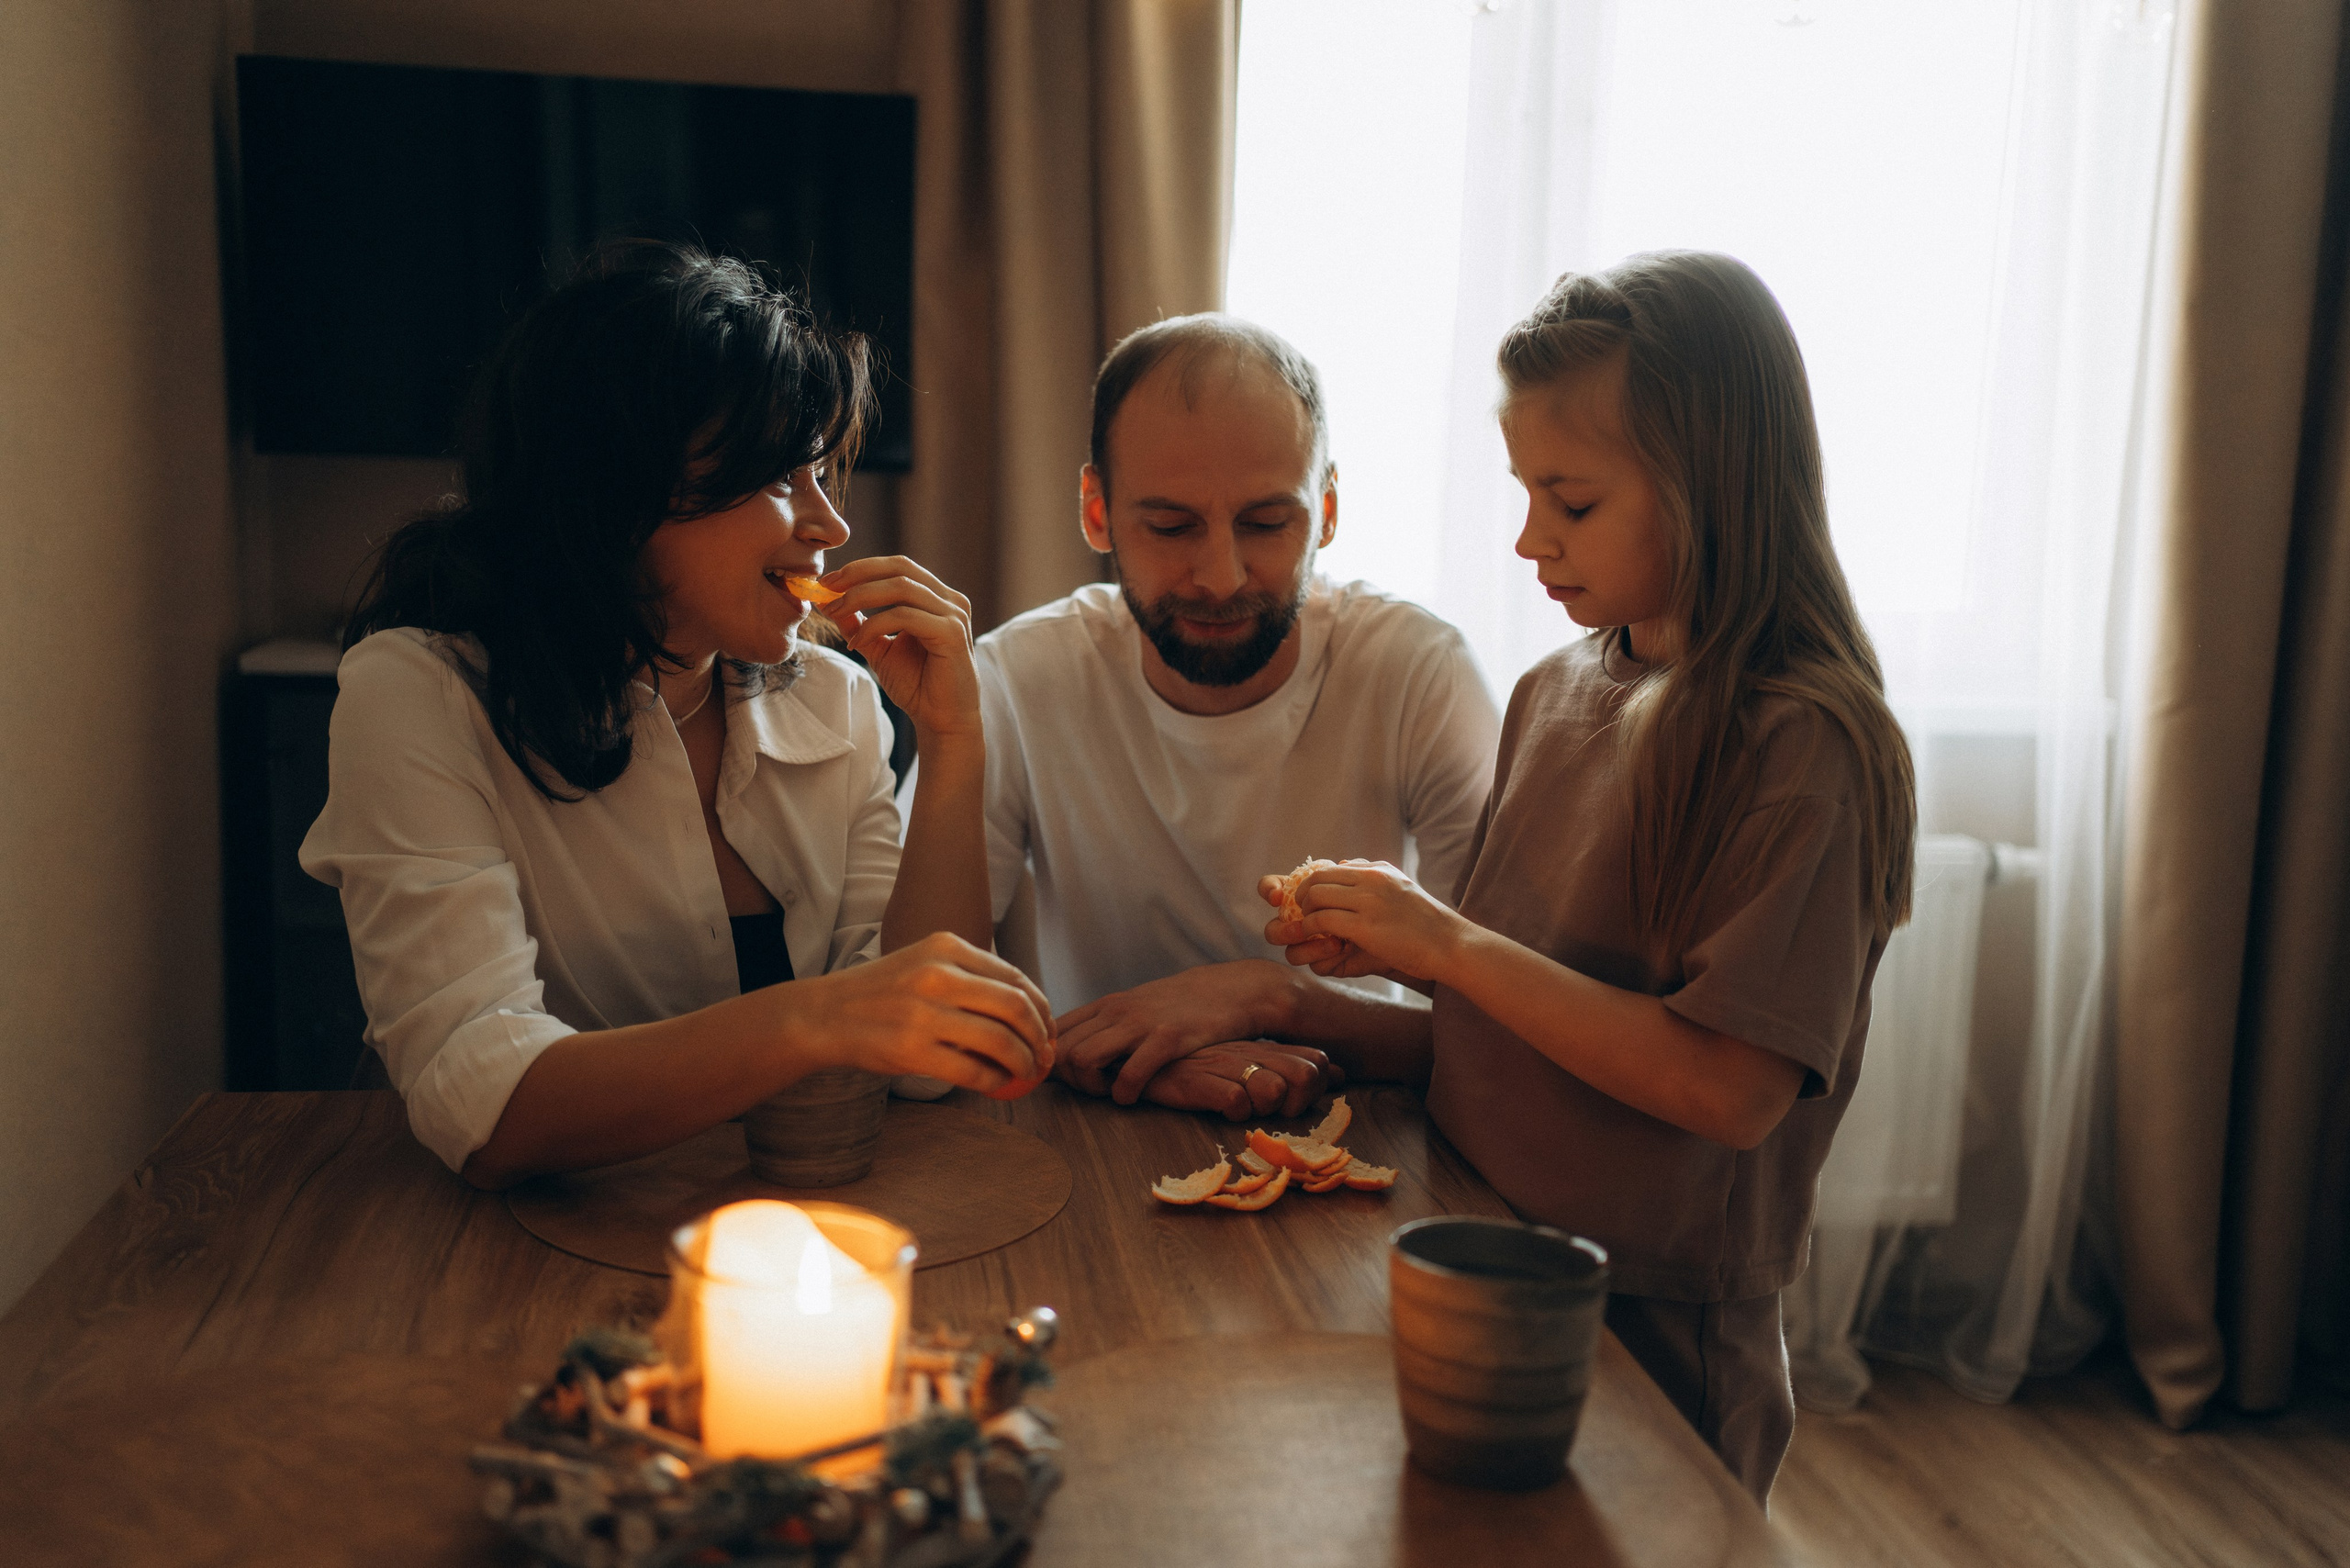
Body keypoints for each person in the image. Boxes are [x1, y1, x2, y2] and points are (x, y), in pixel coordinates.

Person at [1264, 252, 1917, 1505]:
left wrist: (1447, 945)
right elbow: (1512, 1027)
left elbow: (1725, 1089)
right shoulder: (1556, 690)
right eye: (1524, 493)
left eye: (1569, 501)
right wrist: (1340, 987)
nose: (1528, 540)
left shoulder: (1802, 743)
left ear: (1711, 480)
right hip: (1474, 1235)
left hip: (1660, 1310)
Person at [301, 243, 1053, 1189]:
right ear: (615, 488)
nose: (831, 526)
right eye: (783, 477)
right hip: (532, 1252)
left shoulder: (839, 699)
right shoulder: (417, 695)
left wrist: (953, 740)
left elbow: (914, 1067)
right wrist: (820, 1016)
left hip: (790, 1227)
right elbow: (484, 1102)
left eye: (826, 475)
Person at [970, 315, 1500, 1122]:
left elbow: (1510, 1039)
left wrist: (1274, 999)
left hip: (1366, 1138)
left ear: (1324, 511)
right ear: (1097, 511)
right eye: (1172, 526)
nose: (1220, 576)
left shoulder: (1417, 672)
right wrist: (1152, 1061)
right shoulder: (1018, 678)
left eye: (1264, 523)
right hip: (1089, 1134)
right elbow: (918, 1025)